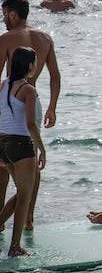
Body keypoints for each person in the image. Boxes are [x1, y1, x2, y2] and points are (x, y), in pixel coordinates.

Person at [0, 0, 59, 233]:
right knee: (31, 164)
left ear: (13, 14)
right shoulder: (44, 38)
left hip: (10, 102)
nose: (4, 19)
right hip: (33, 100)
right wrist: (53, 107)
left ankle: (2, 221)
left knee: (3, 166)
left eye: (5, 14)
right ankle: (28, 219)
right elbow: (55, 75)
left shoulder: (5, 38)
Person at [0, 48, 45, 256]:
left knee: (20, 194)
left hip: (2, 144)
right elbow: (30, 124)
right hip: (21, 145)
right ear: (29, 65)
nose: (36, 65)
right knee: (25, 197)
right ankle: (15, 247)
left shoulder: (3, 85)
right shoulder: (28, 90)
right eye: (35, 62)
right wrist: (42, 149)